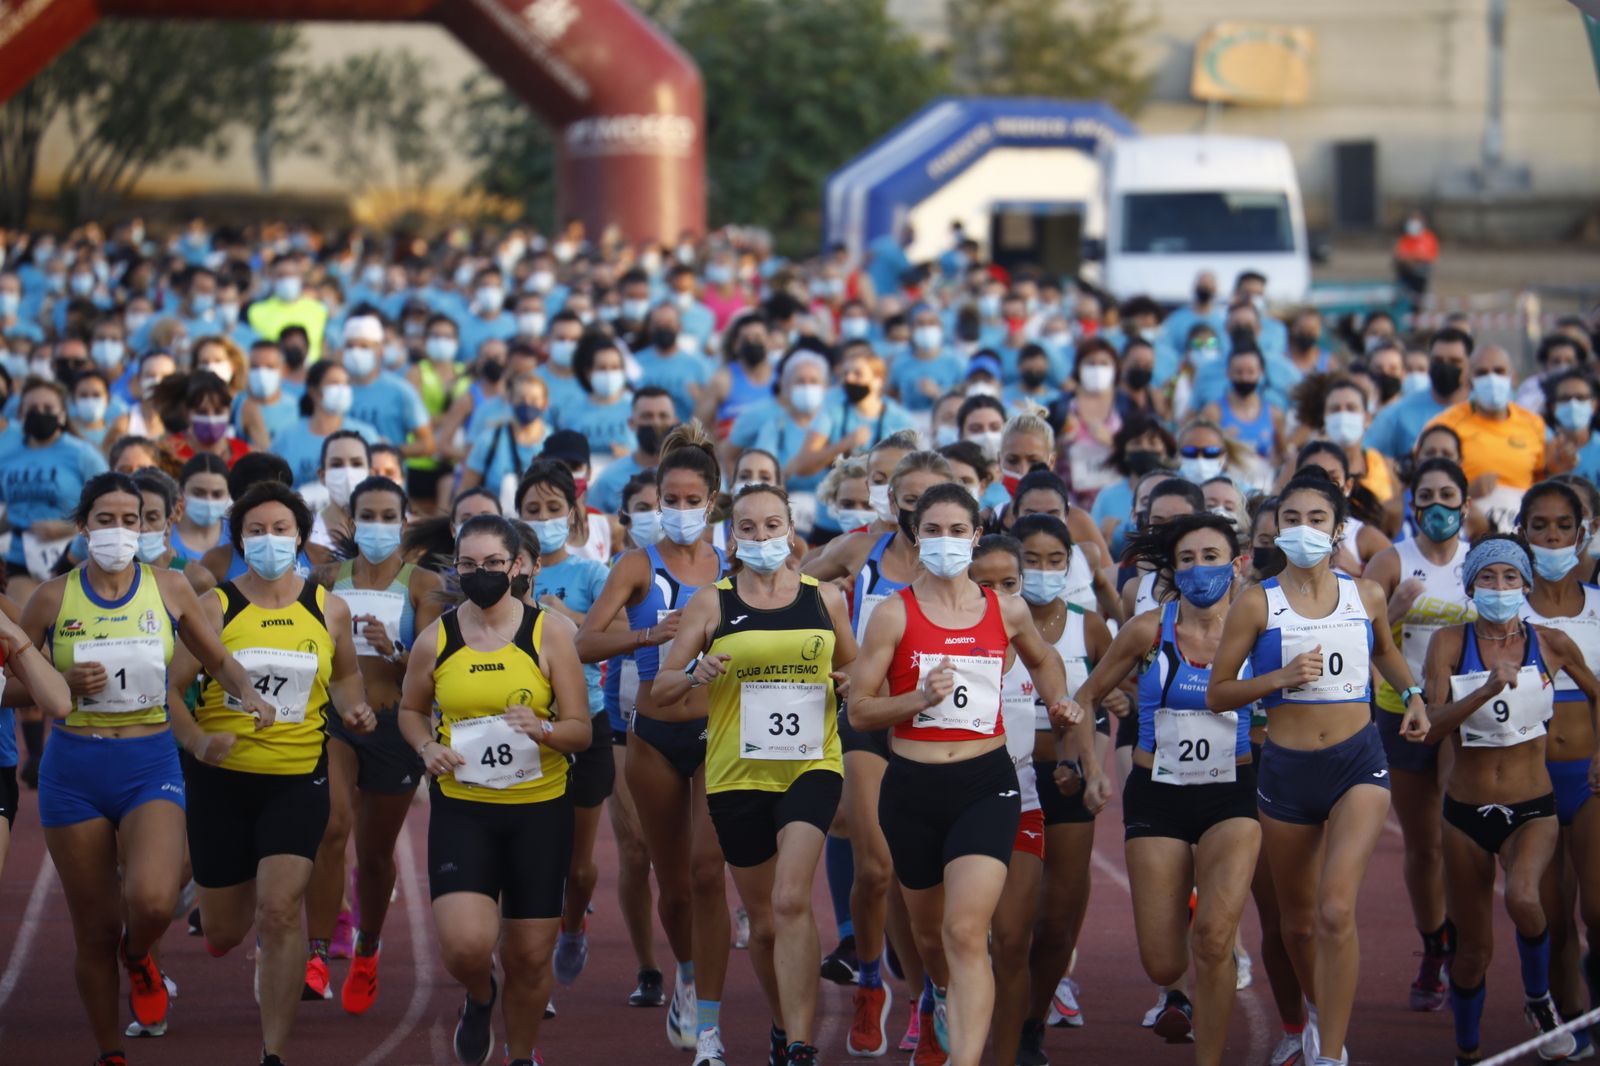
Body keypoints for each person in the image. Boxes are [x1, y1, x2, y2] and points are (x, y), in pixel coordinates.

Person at [21, 472, 274, 1066]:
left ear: (148, 526)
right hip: (74, 766)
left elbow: (218, 659)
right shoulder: (52, 598)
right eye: (104, 521)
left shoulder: (171, 587)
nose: (117, 532)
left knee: (155, 901)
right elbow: (13, 684)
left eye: (130, 521)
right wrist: (57, 682)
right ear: (83, 527)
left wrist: (250, 695)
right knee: (94, 929)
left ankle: (140, 957)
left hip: (148, 759)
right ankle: (110, 1050)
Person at [1209, 468, 1430, 1066]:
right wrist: (1276, 679)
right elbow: (1218, 692)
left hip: (1358, 762)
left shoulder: (1366, 594)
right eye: (1291, 520)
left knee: (1336, 910)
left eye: (1316, 520)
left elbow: (1385, 650)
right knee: (1298, 926)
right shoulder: (1257, 602)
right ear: (1276, 530)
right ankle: (1316, 1014)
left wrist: (1413, 697)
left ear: (1337, 531)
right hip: (1286, 771)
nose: (1303, 530)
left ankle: (1329, 1053)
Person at [849, 482, 1074, 1066]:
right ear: (915, 536)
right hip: (913, 789)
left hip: (986, 784)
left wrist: (1057, 700)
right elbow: (860, 708)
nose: (945, 542)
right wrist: (916, 700)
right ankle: (939, 995)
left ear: (975, 538)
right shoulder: (893, 614)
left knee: (967, 931)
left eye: (957, 531)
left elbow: (1044, 657)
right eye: (932, 530)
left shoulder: (1004, 607)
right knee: (931, 940)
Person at [165, 480, 375, 1064]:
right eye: (256, 530)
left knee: (281, 910)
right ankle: (214, 899)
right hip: (221, 782)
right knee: (224, 934)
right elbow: (173, 692)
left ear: (301, 539)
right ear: (239, 540)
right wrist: (200, 742)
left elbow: (347, 679)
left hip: (296, 777)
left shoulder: (327, 608)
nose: (269, 540)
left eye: (281, 529)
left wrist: (355, 709)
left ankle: (273, 1052)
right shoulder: (216, 606)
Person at [653, 483, 857, 1066]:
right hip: (736, 775)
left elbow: (861, 668)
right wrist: (696, 672)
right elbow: (661, 691)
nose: (763, 537)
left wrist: (851, 683)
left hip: (811, 766)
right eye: (749, 528)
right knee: (765, 924)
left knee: (792, 899)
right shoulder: (710, 604)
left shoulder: (825, 600)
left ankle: (799, 1045)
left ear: (791, 530)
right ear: (733, 538)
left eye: (773, 526)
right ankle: (780, 1023)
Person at [1066, 513, 1262, 1065]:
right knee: (1163, 963)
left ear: (1236, 564)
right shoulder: (1148, 629)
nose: (1200, 569)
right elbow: (1084, 697)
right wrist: (1091, 765)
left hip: (1232, 792)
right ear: (1173, 570)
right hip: (1158, 794)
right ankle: (1188, 907)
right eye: (1187, 560)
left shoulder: (1260, 629)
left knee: (1216, 940)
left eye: (1211, 557)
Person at [397, 513, 593, 1066]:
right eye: (468, 564)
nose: (480, 573)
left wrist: (545, 729)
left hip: (540, 812)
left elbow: (580, 729)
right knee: (464, 946)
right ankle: (481, 995)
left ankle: (522, 1054)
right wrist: (424, 748)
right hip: (465, 809)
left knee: (531, 956)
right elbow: (411, 710)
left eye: (491, 564)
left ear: (516, 567)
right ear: (455, 568)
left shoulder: (549, 633)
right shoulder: (437, 638)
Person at [574, 423, 732, 1059]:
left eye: (694, 500)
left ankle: (711, 1022)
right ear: (656, 500)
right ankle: (687, 977)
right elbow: (585, 641)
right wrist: (651, 636)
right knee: (675, 885)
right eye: (672, 499)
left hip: (721, 729)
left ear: (714, 500)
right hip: (655, 735)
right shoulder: (637, 565)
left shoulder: (737, 564)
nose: (682, 510)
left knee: (708, 870)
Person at [1424, 535, 1598, 1063]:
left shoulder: (1552, 644)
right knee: (1474, 952)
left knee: (1526, 899)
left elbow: (1596, 691)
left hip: (1532, 807)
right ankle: (1469, 1051)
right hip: (1466, 813)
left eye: (1509, 578)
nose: (1499, 588)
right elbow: (1430, 727)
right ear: (1472, 586)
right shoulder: (1450, 644)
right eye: (1487, 578)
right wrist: (1482, 690)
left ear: (1524, 585)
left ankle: (1537, 998)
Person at [803, 449, 952, 1054]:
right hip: (867, 718)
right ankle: (871, 981)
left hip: (939, 722)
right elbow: (793, 587)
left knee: (924, 878)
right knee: (877, 867)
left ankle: (928, 994)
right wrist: (834, 633)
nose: (919, 512)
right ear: (892, 503)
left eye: (931, 502)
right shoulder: (861, 550)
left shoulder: (959, 562)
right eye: (908, 500)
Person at [304, 475, 443, 1011]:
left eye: (389, 517)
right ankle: (317, 953)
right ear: (353, 519)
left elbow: (428, 669)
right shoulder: (324, 578)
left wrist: (395, 648)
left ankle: (368, 945)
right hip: (338, 723)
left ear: (404, 522)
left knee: (377, 855)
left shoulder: (421, 585)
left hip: (392, 727)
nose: (378, 526)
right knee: (330, 826)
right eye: (369, 516)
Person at [1361, 457, 1475, 1010]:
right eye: (1425, 496)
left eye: (1447, 495)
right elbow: (1357, 637)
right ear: (1411, 504)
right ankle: (1435, 943)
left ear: (1465, 504)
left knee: (1461, 840)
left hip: (1465, 718)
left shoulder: (1483, 563)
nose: (1436, 506)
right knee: (1424, 845)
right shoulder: (1390, 562)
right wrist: (1394, 611)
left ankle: (1466, 950)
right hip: (1400, 712)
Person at [514, 460, 615, 995]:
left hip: (586, 723)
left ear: (574, 513)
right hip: (522, 728)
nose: (545, 517)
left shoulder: (591, 575)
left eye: (555, 508)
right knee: (531, 863)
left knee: (578, 870)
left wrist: (563, 617)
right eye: (533, 510)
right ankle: (528, 971)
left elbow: (613, 634)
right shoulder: (506, 576)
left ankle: (572, 925)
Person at [1515, 481, 1600, 1043]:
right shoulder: (1502, 607)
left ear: (1581, 532)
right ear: (1521, 533)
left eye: (1562, 526)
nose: (1551, 536)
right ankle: (1572, 1025)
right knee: (1553, 917)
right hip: (1531, 784)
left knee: (1598, 913)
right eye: (1540, 526)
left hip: (1592, 779)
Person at [1, 377, 109, 599]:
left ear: (62, 415)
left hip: (71, 556)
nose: (40, 413)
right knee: (26, 626)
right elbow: (6, 509)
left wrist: (68, 528)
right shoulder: (7, 455)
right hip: (19, 556)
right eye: (32, 408)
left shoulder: (82, 454)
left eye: (48, 408)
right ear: (21, 414)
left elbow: (110, 503)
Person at [1427, 344, 1546, 533]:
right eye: (1482, 373)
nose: (1492, 379)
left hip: (1522, 528)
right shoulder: (1444, 425)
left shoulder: (1533, 423)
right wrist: (1466, 494)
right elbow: (1425, 479)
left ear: (1513, 377)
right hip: (1463, 528)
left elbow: (1543, 476)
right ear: (1469, 381)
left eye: (1499, 371)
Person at [1365, 328, 1473, 463]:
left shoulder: (1483, 409)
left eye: (1454, 361)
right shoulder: (1398, 413)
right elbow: (1367, 454)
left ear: (1469, 365)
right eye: (1438, 360)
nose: (1445, 367)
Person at [269, 360, 379, 490]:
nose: (342, 390)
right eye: (334, 383)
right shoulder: (286, 436)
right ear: (314, 391)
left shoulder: (365, 435)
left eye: (346, 384)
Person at [458, 372, 551, 506]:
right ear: (510, 400)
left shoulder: (552, 444)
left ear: (544, 403)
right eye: (521, 398)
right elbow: (465, 489)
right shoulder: (489, 439)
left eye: (534, 400)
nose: (527, 403)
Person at [170, 453, 230, 564]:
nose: (208, 501)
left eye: (217, 494)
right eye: (198, 493)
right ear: (181, 491)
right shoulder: (165, 534)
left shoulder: (238, 534)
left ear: (228, 494)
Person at [1393, 209, 1440, 300]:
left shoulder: (1428, 237)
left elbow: (1428, 256)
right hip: (1404, 275)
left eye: (1416, 219)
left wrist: (1412, 259)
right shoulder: (1405, 238)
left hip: (1419, 276)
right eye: (1411, 219)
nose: (1413, 222)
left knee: (1417, 299)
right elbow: (1398, 254)